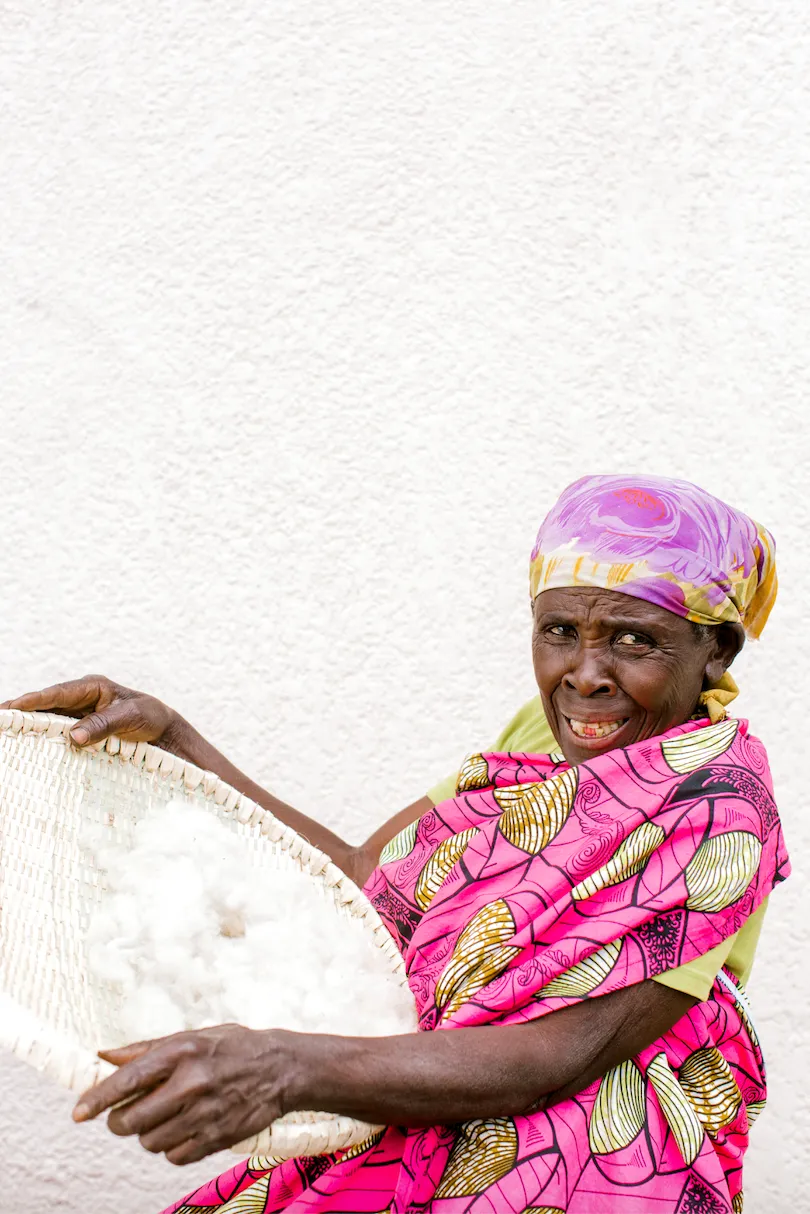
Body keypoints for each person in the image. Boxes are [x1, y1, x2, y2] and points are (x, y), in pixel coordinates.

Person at [4, 474, 788, 1213]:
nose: (585, 675)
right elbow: (358, 875)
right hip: (432, 1091)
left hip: (586, 1155)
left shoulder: (720, 798)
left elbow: (565, 1053)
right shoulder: (541, 739)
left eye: (633, 640)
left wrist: (288, 1066)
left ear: (715, 651)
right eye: (559, 631)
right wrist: (175, 740)